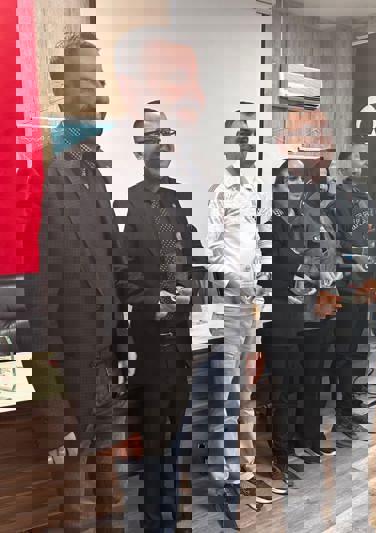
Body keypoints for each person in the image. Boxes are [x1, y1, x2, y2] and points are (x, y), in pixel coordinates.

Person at [27, 32, 128, 529]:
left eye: (100, 81)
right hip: (69, 373)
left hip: (105, 362)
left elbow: (110, 272)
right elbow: (37, 291)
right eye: (86, 81)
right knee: (73, 504)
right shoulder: (47, 168)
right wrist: (52, 399)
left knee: (111, 492)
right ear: (61, 89)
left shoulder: (93, 172)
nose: (97, 92)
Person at [116, 102, 199, 531]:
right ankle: (155, 522)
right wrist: (155, 298)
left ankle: (172, 516)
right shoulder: (129, 205)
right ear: (139, 149)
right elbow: (122, 281)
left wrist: (191, 290)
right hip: (150, 345)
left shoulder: (175, 202)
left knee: (176, 439)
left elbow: (194, 264)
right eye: (151, 139)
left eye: (165, 137)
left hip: (181, 341)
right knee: (153, 442)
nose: (160, 146)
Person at [263, 158, 342, 496]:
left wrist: (314, 281)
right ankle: (280, 461)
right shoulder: (268, 226)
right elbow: (268, 272)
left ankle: (296, 446)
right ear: (277, 186)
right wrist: (295, 283)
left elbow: (313, 261)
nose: (295, 187)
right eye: (288, 180)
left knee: (301, 382)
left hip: (302, 314)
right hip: (279, 316)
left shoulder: (302, 220)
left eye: (298, 180)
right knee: (283, 390)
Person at [206, 104, 270, 519]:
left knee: (246, 395)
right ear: (228, 145)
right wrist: (235, 284)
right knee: (225, 398)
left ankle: (245, 473)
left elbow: (261, 246)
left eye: (249, 138)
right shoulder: (220, 193)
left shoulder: (255, 191)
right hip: (230, 306)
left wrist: (259, 288)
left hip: (252, 306)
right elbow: (215, 252)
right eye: (238, 138)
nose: (244, 145)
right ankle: (221, 480)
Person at [331, 145, 376, 438]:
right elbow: (335, 243)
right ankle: (342, 414)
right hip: (345, 286)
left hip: (365, 285)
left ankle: (352, 405)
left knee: (358, 349)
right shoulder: (334, 198)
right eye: (357, 157)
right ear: (343, 163)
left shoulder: (366, 197)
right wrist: (352, 262)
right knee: (343, 352)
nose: (363, 162)